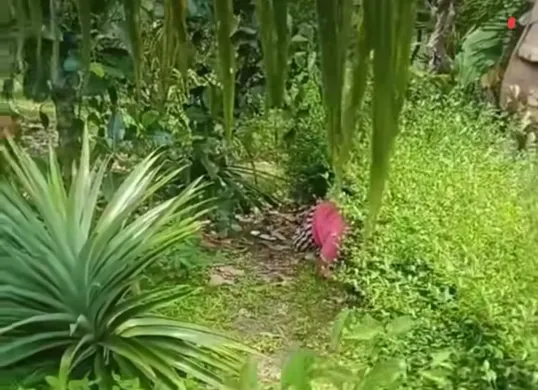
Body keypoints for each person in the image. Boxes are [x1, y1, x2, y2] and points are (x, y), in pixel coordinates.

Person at [292, 199, 347, 278]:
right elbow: (321, 269)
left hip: (332, 218)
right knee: (299, 245)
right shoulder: (337, 238)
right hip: (318, 220)